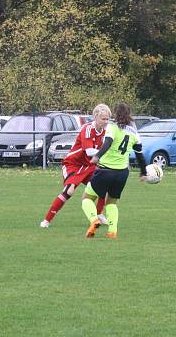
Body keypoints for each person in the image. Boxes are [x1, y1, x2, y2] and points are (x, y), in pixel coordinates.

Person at [81, 102, 148, 239]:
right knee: (111, 202)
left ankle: (94, 220)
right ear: (129, 115)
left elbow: (108, 143)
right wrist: (143, 172)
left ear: (116, 115)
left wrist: (97, 156)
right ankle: (112, 231)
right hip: (122, 173)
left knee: (87, 198)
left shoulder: (112, 128)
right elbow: (140, 155)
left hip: (105, 171)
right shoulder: (134, 133)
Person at [40, 104, 110, 228]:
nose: (106, 121)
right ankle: (46, 220)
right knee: (69, 191)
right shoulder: (87, 129)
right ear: (95, 117)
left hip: (89, 165)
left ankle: (98, 214)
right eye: (103, 119)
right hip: (74, 164)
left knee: (103, 186)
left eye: (107, 119)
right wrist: (106, 154)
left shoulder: (106, 132)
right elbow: (89, 151)